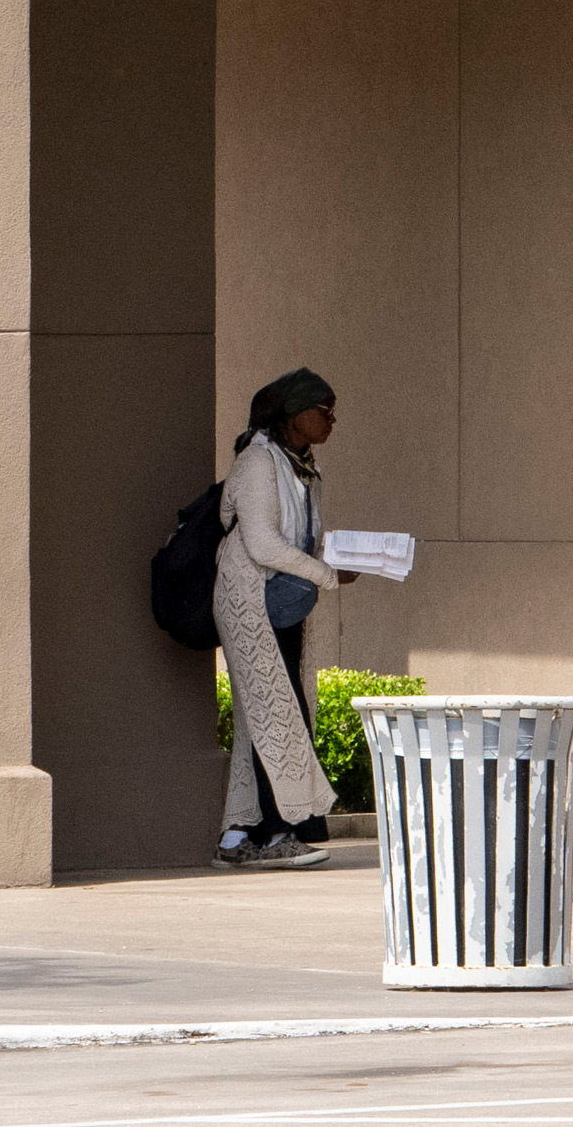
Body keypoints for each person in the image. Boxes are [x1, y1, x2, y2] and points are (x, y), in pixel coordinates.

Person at [213, 366, 355, 869]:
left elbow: (303, 542)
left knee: (265, 719)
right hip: (249, 603)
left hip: (283, 605)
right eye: (325, 409)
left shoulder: (303, 468)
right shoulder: (257, 463)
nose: (333, 419)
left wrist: (333, 565)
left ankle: (237, 839)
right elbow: (262, 543)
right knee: (279, 713)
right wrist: (325, 574)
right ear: (296, 415)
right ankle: (278, 836)